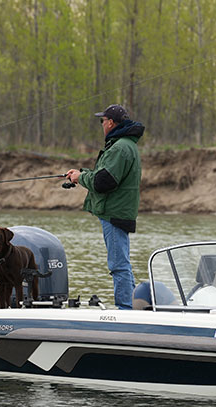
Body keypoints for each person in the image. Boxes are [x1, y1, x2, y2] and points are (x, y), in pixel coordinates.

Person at [65, 104, 144, 309]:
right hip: (118, 211)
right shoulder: (125, 145)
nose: (102, 124)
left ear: (110, 123)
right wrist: (81, 174)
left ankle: (126, 308)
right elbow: (104, 175)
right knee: (121, 263)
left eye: (103, 121)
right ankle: (130, 306)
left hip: (114, 213)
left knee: (118, 265)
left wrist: (81, 177)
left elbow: (103, 182)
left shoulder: (119, 147)